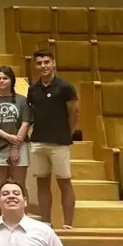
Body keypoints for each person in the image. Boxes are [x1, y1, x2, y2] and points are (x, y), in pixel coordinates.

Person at [27, 49, 79, 229]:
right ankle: (46, 223)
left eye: (46, 62)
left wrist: (67, 133)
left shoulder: (65, 87)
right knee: (42, 182)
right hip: (38, 141)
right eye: (39, 63)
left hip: (59, 143)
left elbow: (74, 112)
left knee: (64, 181)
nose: (43, 66)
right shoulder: (32, 89)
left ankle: (68, 225)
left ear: (54, 63)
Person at [0, 66, 32, 195]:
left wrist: (15, 147)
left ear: (11, 81)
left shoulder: (22, 100)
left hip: (19, 147)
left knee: (19, 186)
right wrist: (8, 137)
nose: (1, 81)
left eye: (5, 78)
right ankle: (2, 216)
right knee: (1, 186)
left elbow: (25, 124)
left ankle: (22, 215)